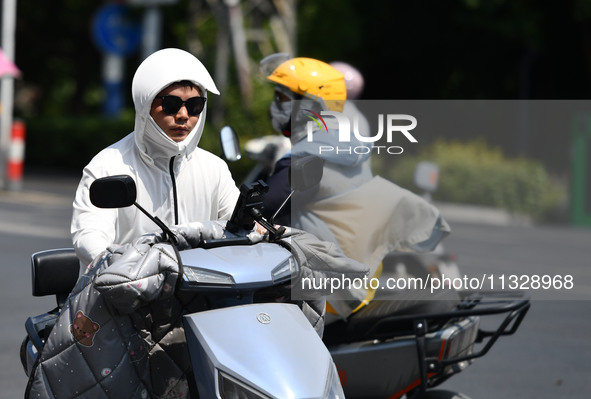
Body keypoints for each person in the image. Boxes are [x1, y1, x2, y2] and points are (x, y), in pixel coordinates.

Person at [259, 55, 451, 321]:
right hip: (362, 282)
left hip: (327, 293)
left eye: (281, 99)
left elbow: (263, 208)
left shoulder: (307, 158)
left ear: (309, 106)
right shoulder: (347, 146)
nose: (273, 106)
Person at [71, 48, 239, 271]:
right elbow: (89, 235)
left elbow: (241, 228)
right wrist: (118, 265)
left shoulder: (214, 168)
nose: (183, 115)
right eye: (170, 104)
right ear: (145, 104)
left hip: (204, 296)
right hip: (126, 294)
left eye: (194, 105)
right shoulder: (107, 166)